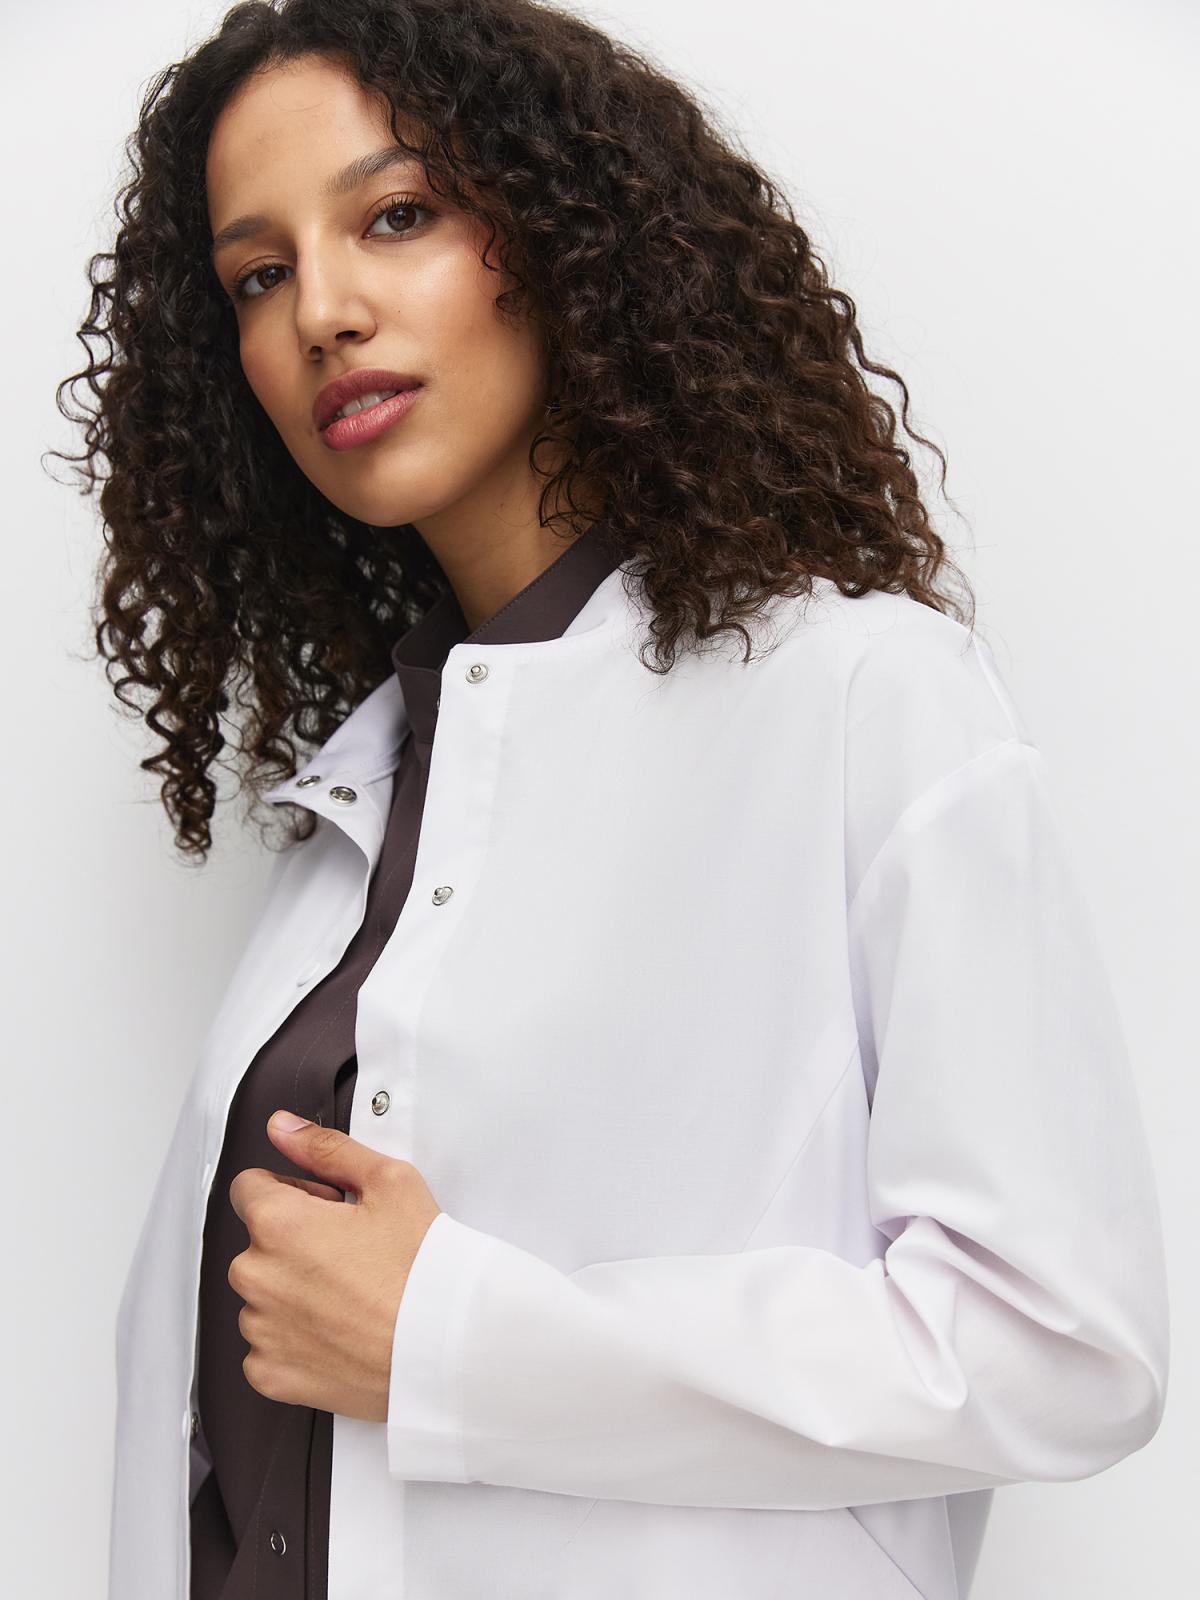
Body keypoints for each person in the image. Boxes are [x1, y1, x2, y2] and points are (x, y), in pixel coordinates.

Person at [53, 1, 1169, 1596]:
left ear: (564, 227)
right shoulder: (366, 804)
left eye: (396, 215)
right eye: (259, 275)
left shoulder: (862, 701)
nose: (325, 312)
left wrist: (456, 1341)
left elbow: (1061, 1343)